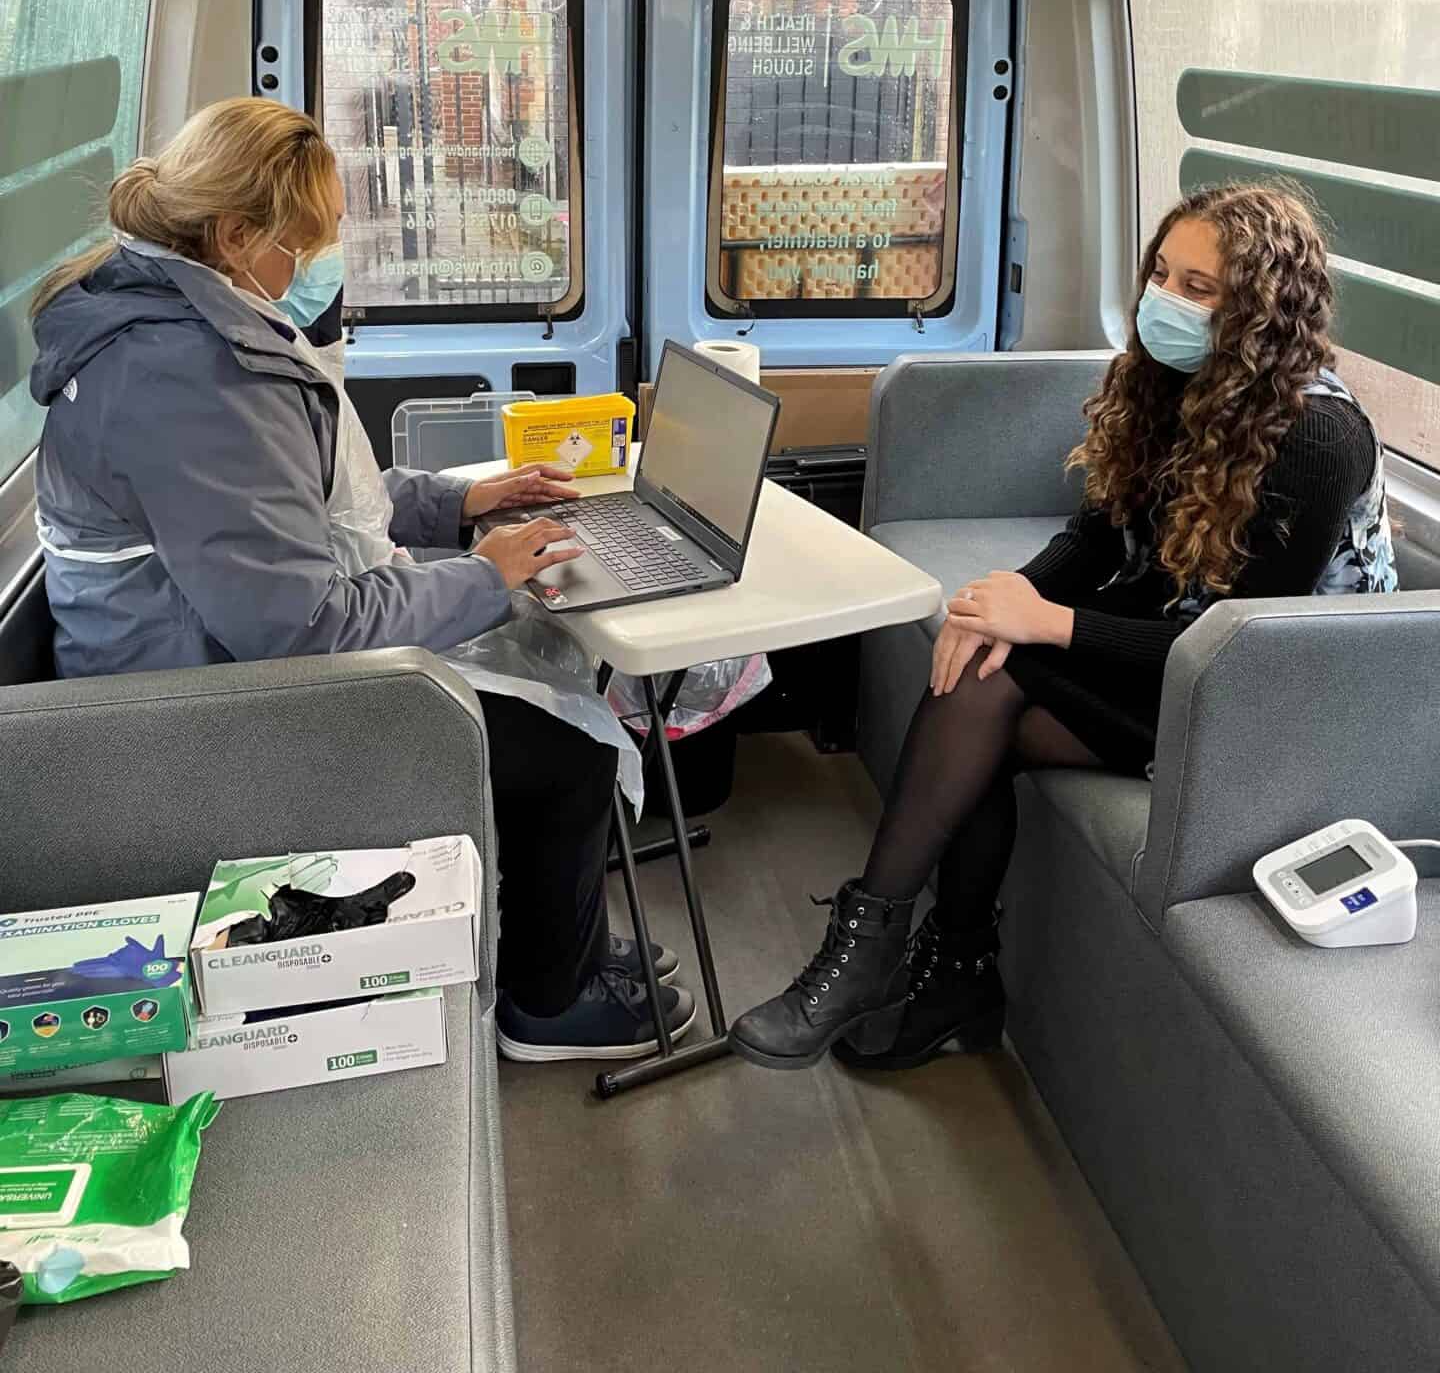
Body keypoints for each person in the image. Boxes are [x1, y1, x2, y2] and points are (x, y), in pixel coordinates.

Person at [29, 99, 693, 1063]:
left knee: (550, 681)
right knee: (563, 760)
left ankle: (567, 945)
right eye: (316, 238)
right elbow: (302, 627)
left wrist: (460, 506)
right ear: (238, 235)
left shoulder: (176, 318)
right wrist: (483, 576)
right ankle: (547, 1006)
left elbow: (300, 504)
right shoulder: (185, 377)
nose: (330, 259)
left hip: (206, 663)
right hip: (195, 717)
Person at [729, 183, 1396, 1072]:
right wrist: (1005, 594)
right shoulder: (1169, 383)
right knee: (978, 671)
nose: (1167, 298)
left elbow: (1233, 652)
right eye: (1162, 273)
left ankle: (885, 955)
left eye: (1200, 288)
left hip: (1259, 707)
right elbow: (1092, 536)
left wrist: (1046, 625)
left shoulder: (1315, 436)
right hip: (1172, 655)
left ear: (1261, 311)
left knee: (988, 688)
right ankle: (942, 966)